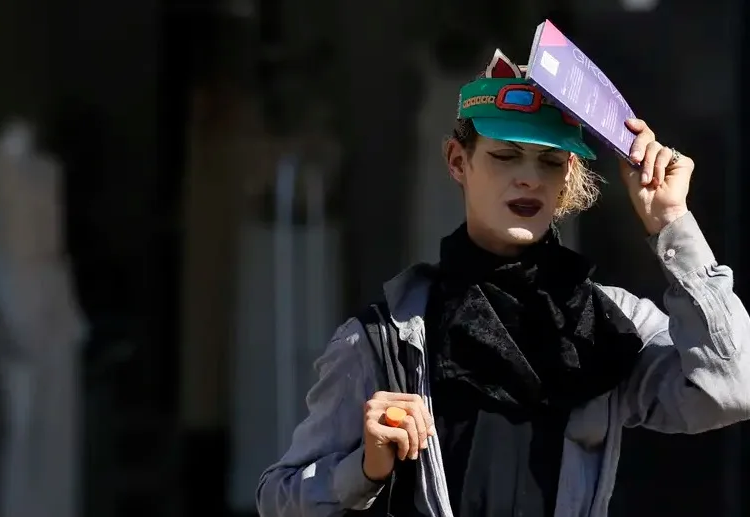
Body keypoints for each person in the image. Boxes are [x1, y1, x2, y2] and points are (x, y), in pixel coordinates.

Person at [255, 49, 750, 517]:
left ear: (568, 177)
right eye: (506, 155)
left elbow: (731, 392)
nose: (530, 178)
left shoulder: (610, 325)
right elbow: (278, 499)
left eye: (550, 161)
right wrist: (363, 468)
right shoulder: (389, 336)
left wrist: (672, 223)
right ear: (457, 161)